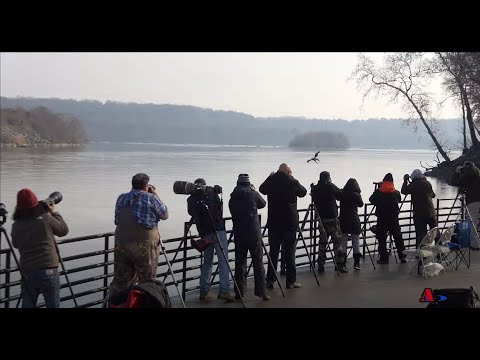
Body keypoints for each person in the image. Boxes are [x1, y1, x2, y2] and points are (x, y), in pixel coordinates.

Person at [109, 173, 169, 299]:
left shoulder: (121, 198)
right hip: (143, 247)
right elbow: (165, 214)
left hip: (122, 245)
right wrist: (155, 194)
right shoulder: (150, 198)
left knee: (121, 282)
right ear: (146, 186)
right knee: (147, 283)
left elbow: (117, 220)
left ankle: (117, 304)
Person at [11, 188, 69, 308]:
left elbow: (16, 244)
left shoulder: (16, 225)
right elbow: (63, 230)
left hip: (28, 271)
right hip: (48, 270)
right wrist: (54, 212)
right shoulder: (45, 218)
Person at [259, 163, 307, 289]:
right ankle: (290, 281)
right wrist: (292, 177)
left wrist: (269, 177)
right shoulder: (291, 181)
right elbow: (303, 192)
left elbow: (261, 189)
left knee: (273, 253)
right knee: (290, 253)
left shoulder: (272, 180)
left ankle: (270, 280)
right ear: (287, 171)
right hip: (289, 224)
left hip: (274, 223)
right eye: (290, 171)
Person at [187, 178, 234, 302]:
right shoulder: (212, 194)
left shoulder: (191, 199)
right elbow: (219, 211)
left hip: (205, 234)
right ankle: (224, 291)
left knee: (207, 262)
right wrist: (213, 194)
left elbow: (191, 212)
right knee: (223, 261)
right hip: (219, 230)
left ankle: (203, 290)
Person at [229, 174, 270, 301]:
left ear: (238, 183)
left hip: (239, 234)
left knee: (240, 264)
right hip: (253, 234)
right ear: (248, 183)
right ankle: (261, 291)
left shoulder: (233, 197)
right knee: (258, 263)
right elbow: (263, 203)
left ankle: (239, 292)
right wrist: (254, 190)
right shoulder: (252, 194)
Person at [311, 171, 346, 273]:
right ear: (328, 178)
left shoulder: (316, 188)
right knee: (338, 243)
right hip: (332, 220)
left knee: (322, 243)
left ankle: (321, 265)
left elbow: (313, 198)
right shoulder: (330, 186)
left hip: (321, 220)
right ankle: (339, 265)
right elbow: (341, 194)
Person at [369, 173, 407, 264]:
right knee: (398, 237)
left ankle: (384, 258)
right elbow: (399, 199)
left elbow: (371, 200)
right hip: (394, 219)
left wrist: (378, 188)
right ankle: (402, 256)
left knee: (381, 238)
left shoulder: (379, 192)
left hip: (382, 218)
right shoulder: (396, 193)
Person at [401, 169, 437, 247]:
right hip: (431, 212)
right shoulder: (427, 183)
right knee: (435, 232)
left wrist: (405, 181)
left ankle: (421, 253)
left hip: (419, 214)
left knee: (421, 235)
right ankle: (440, 250)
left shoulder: (413, 185)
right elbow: (433, 195)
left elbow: (403, 191)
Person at [451, 161, 480, 250]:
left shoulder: (467, 176)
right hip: (478, 200)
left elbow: (454, 182)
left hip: (472, 201)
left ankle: (475, 244)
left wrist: (457, 172)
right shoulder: (477, 175)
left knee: (471, 222)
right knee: (476, 221)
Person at [339, 178, 364, 270]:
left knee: (343, 242)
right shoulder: (357, 195)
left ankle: (343, 264)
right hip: (354, 220)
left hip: (343, 220)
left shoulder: (342, 193)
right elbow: (361, 204)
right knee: (356, 242)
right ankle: (356, 263)